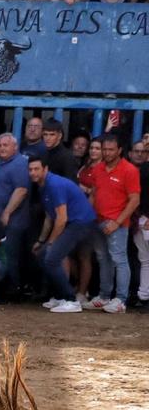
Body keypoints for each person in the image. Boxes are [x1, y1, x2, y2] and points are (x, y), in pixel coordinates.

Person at [27, 154, 99, 312]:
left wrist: (51, 242)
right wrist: (41, 241)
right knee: (41, 255)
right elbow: (49, 217)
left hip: (80, 224)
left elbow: (61, 219)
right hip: (74, 224)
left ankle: (71, 299)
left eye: (36, 169)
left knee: (51, 258)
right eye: (30, 169)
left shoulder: (54, 185)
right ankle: (61, 296)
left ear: (45, 169)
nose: (33, 172)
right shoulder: (42, 185)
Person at [81, 131, 140, 313]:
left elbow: (134, 200)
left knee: (119, 259)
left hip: (117, 223)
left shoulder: (129, 170)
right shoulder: (98, 169)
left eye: (110, 150)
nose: (106, 153)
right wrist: (88, 216)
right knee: (102, 258)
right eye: (104, 149)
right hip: (98, 220)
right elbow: (94, 193)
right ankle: (105, 296)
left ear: (120, 150)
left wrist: (118, 221)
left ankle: (121, 299)